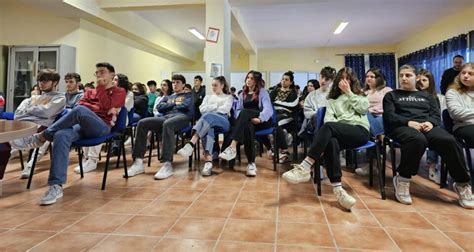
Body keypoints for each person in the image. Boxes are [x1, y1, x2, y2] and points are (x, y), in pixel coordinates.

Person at [10, 62, 126, 205]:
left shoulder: (119, 92)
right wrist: (93, 107)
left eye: (102, 72)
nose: (99, 75)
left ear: (112, 75)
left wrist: (95, 100)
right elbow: (81, 106)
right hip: (81, 125)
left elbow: (105, 107)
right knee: (61, 135)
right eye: (97, 73)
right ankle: (55, 186)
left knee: (79, 112)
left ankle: (42, 136)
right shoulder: (89, 92)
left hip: (102, 127)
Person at [383, 64, 473, 209]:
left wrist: (430, 123)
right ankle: (403, 179)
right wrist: (408, 122)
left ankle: (462, 184)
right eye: (401, 76)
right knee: (417, 139)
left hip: (426, 126)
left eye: (408, 75)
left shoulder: (427, 96)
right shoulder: (391, 95)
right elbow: (389, 117)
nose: (404, 78)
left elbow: (436, 116)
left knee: (449, 140)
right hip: (402, 127)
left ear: (416, 77)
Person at [282, 67, 369, 210]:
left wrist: (349, 92)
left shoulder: (360, 95)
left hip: (359, 131)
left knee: (329, 128)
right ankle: (338, 189)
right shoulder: (332, 100)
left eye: (347, 79)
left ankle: (305, 166)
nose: (344, 82)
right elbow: (329, 120)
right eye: (342, 79)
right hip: (340, 133)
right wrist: (336, 126)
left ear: (352, 81)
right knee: (331, 140)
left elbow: (363, 109)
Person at [126, 74, 194, 180]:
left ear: (183, 84)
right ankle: (138, 162)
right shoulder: (168, 97)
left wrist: (169, 105)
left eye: (178, 82)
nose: (175, 84)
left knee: (168, 124)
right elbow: (159, 108)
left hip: (182, 118)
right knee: (142, 123)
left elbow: (185, 106)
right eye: (173, 82)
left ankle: (167, 164)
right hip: (166, 117)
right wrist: (174, 103)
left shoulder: (189, 95)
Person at [13, 69, 66, 179]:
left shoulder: (59, 98)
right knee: (4, 141)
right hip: (22, 126)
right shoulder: (33, 98)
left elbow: (47, 112)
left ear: (55, 82)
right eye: (40, 80)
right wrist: (38, 112)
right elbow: (18, 115)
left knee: (10, 141)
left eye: (45, 80)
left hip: (40, 129)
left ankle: (29, 165)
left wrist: (29, 111)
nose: (41, 83)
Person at [219, 70, 273, 177]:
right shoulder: (242, 94)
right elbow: (238, 110)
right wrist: (243, 118)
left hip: (260, 120)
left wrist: (261, 118)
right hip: (248, 121)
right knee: (247, 126)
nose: (249, 80)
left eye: (252, 78)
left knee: (245, 113)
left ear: (257, 81)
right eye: (248, 77)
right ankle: (251, 164)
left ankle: (232, 146)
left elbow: (268, 109)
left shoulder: (262, 92)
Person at [177, 76, 233, 176]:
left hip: (223, 122)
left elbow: (225, 109)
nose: (213, 87)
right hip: (208, 124)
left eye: (216, 85)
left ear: (222, 86)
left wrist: (210, 108)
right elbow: (201, 109)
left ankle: (191, 143)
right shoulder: (208, 97)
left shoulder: (228, 97)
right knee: (208, 128)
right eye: (212, 85)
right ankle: (208, 161)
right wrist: (216, 107)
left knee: (207, 116)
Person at [354, 68, 392, 176]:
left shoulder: (386, 90)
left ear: (378, 78)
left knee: (367, 120)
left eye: (372, 76)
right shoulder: (363, 92)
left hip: (382, 116)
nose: (368, 79)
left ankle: (373, 164)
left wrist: (372, 109)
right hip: (367, 117)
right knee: (365, 120)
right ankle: (381, 140)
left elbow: (388, 106)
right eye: (367, 76)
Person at [416, 69, 446, 184]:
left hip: (430, 124)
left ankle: (432, 168)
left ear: (430, 82)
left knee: (438, 130)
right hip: (414, 124)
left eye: (424, 80)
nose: (421, 83)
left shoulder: (434, 97)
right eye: (419, 80)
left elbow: (436, 115)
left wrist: (430, 123)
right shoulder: (410, 95)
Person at [446, 62, 474, 166]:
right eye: (463, 73)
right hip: (463, 127)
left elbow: (463, 113)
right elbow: (456, 114)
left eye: (470, 73)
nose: (466, 76)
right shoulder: (452, 92)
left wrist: (467, 114)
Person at [270, 71, 299, 163]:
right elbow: (269, 103)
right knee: (268, 122)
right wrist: (282, 105)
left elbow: (291, 106)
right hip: (275, 113)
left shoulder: (293, 93)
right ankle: (274, 149)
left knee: (275, 122)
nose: (284, 81)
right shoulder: (274, 91)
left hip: (287, 115)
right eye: (282, 79)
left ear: (290, 82)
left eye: (286, 80)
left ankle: (284, 151)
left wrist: (277, 103)